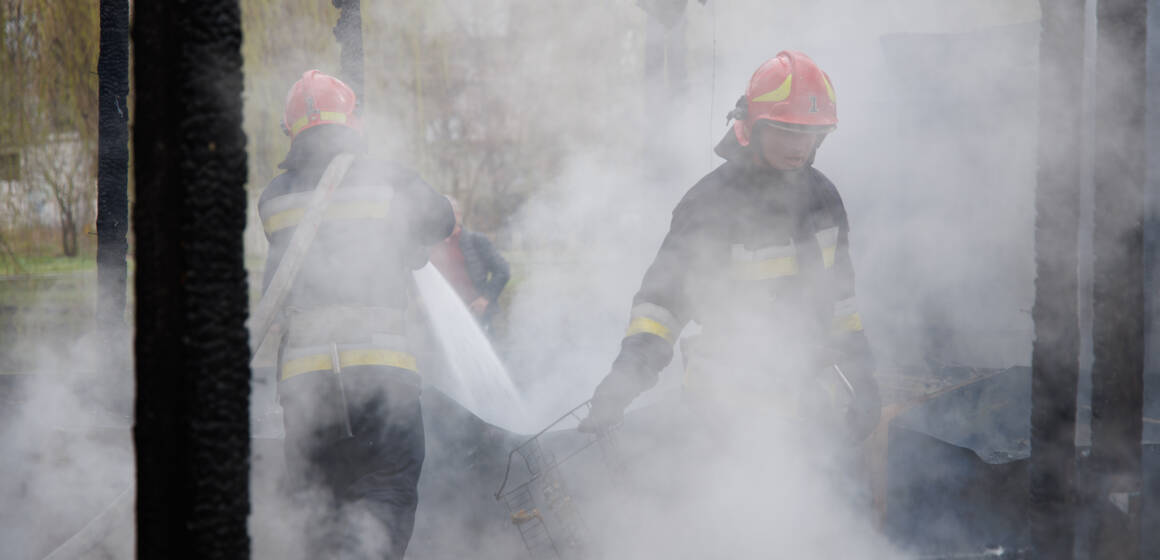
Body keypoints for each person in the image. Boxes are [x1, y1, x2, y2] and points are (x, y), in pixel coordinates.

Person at [578, 51, 881, 444]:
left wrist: (862, 377)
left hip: (809, 408)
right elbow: (662, 306)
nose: (800, 146)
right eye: (787, 131)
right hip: (724, 412)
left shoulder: (824, 199)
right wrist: (623, 381)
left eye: (810, 133)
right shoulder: (710, 203)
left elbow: (841, 302)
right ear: (752, 127)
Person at [259, 70, 454, 559]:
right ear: (352, 123)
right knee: (387, 489)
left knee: (317, 505)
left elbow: (278, 286)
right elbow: (442, 221)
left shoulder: (274, 199)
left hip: (306, 391)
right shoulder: (390, 180)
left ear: (292, 131)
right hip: (380, 381)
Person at [428, 196, 510, 331]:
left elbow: (502, 271)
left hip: (473, 315)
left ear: (458, 215)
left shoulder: (477, 241)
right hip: (439, 316)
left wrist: (485, 299)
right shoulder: (430, 245)